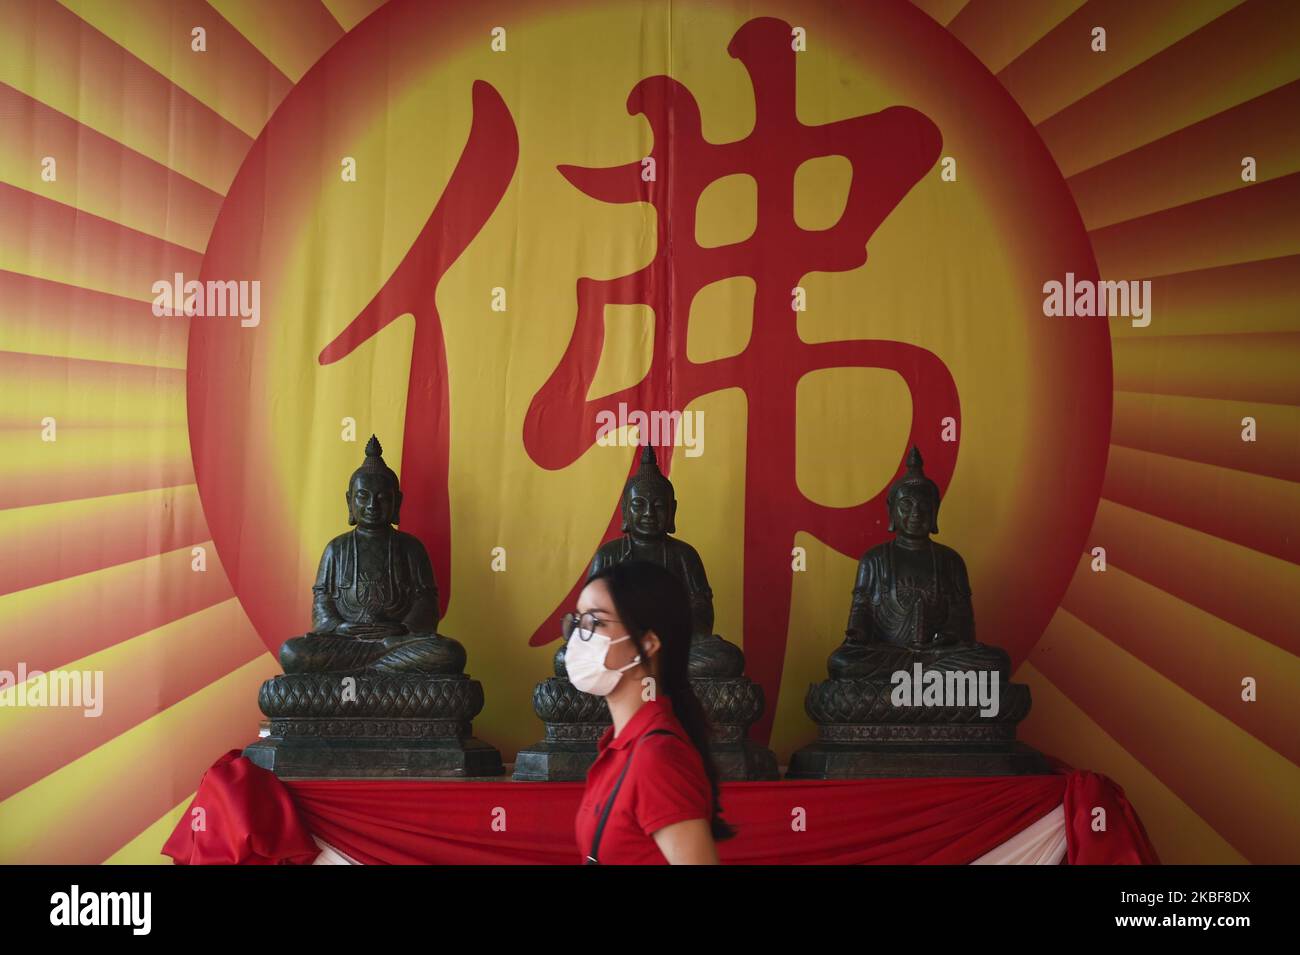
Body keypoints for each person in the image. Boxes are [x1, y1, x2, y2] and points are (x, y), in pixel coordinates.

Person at [567, 560, 736, 864]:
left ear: (646, 644)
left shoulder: (657, 756)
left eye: (595, 622)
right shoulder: (622, 745)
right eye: (577, 622)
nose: (579, 637)